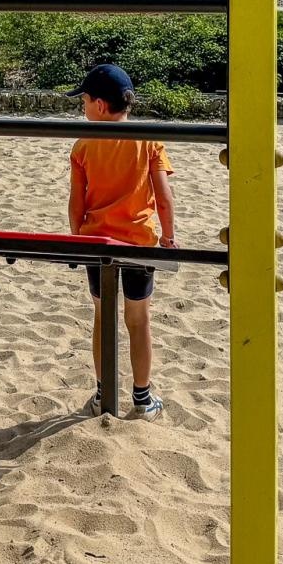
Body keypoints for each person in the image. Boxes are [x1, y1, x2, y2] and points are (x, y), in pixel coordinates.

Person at [67, 63, 176, 419]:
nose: (82, 107)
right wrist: (169, 237)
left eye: (83, 100)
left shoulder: (84, 145)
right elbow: (163, 196)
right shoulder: (147, 140)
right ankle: (142, 399)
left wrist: (76, 238)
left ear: (99, 105)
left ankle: (103, 395)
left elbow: (76, 204)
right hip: (139, 242)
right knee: (138, 319)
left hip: (98, 243)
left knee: (102, 316)